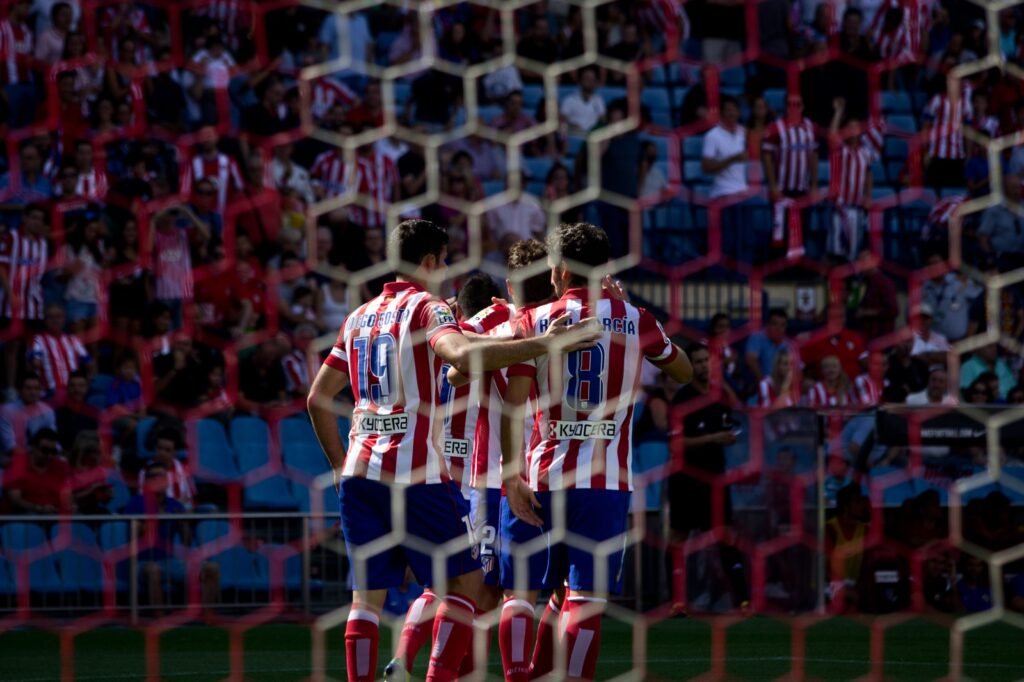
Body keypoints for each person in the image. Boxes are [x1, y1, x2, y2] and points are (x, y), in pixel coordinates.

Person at [306, 218, 601, 682]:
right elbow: (460, 357)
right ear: (429, 261)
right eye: (443, 261)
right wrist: (545, 342)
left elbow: (318, 397)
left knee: (365, 600)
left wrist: (339, 466)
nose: (445, 271)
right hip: (416, 473)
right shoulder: (427, 307)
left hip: (361, 472)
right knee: (466, 584)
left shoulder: (359, 315)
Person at [498, 222, 692, 681]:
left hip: (542, 479)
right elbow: (683, 371)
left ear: (562, 271)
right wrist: (630, 316)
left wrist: (510, 476)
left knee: (520, 595)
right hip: (605, 484)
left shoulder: (536, 321)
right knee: (584, 601)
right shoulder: (635, 319)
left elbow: (512, 406)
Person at [387, 272, 507, 679]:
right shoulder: (485, 338)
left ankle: (404, 659)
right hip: (475, 479)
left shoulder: (435, 337)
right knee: (480, 591)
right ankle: (453, 672)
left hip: (431, 472)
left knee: (441, 586)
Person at [668, 343, 749, 613]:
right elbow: (675, 444)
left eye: (707, 360)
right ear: (690, 366)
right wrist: (714, 438)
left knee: (726, 536)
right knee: (679, 537)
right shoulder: (682, 400)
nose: (704, 366)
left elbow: (735, 413)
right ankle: (677, 601)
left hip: (716, 478)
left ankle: (743, 601)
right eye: (699, 362)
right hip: (686, 479)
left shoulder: (719, 395)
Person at [124, 462, 220, 612]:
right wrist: (157, 517)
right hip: (142, 562)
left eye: (162, 476)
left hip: (170, 561)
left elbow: (186, 542)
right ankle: (160, 620)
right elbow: (133, 535)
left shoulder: (174, 505)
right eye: (154, 476)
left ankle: (206, 617)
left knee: (211, 569)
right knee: (154, 570)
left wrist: (183, 524)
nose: (159, 479)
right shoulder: (135, 503)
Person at [28, 303, 90, 396]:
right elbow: (34, 363)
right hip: (50, 392)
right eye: (50, 317)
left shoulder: (73, 340)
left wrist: (85, 383)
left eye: (59, 316)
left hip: (73, 392)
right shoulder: (37, 339)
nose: (55, 320)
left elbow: (89, 363)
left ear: (64, 319)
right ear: (45, 320)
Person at [3, 428, 69, 514]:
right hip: (24, 513)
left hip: (54, 513)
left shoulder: (60, 466)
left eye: (53, 451)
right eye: (45, 451)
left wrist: (70, 505)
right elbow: (15, 500)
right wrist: (39, 508)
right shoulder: (17, 465)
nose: (49, 455)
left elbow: (66, 496)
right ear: (33, 447)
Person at [136, 428, 196, 511]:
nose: (162, 453)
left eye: (167, 450)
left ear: (174, 452)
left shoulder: (184, 470)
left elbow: (190, 499)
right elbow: (142, 500)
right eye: (159, 448)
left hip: (180, 513)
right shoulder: (145, 471)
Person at [701, 96, 748, 199]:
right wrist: (732, 159)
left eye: (734, 110)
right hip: (722, 192)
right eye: (728, 110)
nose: (731, 113)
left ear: (739, 113)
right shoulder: (712, 135)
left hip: (742, 191)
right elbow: (706, 168)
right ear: (721, 113)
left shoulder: (744, 132)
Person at [0, 374, 56, 456]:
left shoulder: (48, 411)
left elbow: (52, 441)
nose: (33, 392)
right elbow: (9, 448)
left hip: (41, 457)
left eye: (36, 388)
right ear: (19, 390)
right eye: (28, 388)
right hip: (12, 459)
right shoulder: (6, 411)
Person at [745, 307, 796, 384]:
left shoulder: (789, 344)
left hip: (784, 385)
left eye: (782, 325)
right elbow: (750, 360)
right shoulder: (757, 337)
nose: (778, 328)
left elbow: (797, 368)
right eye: (775, 324)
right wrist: (763, 381)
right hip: (760, 384)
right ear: (768, 325)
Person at [559, 65, 606, 134]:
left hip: (592, 136)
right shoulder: (569, 100)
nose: (589, 81)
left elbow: (603, 122)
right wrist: (571, 127)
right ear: (580, 80)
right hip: (574, 136)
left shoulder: (599, 100)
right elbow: (562, 123)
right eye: (586, 78)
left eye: (592, 79)